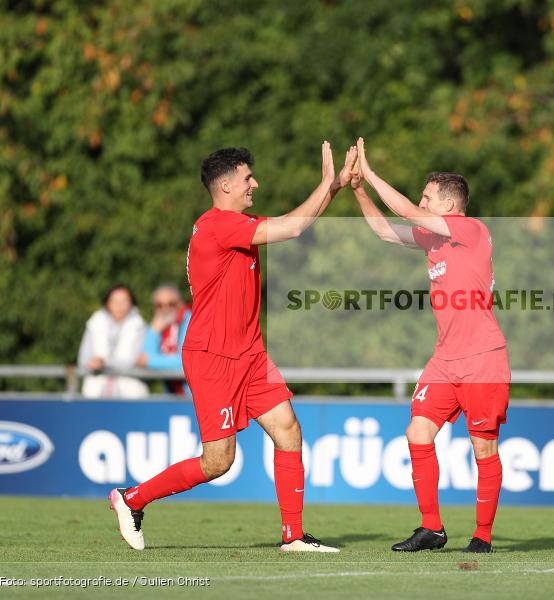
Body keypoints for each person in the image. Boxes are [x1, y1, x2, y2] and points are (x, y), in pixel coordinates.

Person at [108, 143, 356, 552]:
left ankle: (293, 535)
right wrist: (326, 184)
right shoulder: (217, 226)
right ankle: (132, 500)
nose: (254, 183)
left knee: (289, 431)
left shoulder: (237, 223)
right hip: (213, 357)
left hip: (249, 354)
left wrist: (332, 189)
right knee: (218, 462)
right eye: (247, 178)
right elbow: (294, 228)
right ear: (225, 185)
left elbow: (294, 221)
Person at [350, 138, 509, 553]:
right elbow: (385, 230)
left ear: (450, 207)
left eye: (428, 198)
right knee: (418, 432)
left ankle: (483, 536)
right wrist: (359, 190)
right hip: (444, 359)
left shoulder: (472, 230)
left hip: (482, 360)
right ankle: (432, 529)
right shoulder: (434, 240)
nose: (421, 203)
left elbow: (402, 211)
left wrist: (370, 171)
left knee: (483, 447)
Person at [77, 284, 149, 399]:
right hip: (96, 394)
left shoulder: (140, 326)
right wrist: (94, 364)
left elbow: (134, 360)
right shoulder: (94, 324)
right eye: (115, 301)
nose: (119, 305)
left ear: (131, 303)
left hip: (131, 394)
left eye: (124, 301)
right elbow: (83, 359)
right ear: (107, 303)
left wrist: (104, 363)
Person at [136, 284, 192, 395]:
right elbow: (144, 357)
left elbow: (186, 362)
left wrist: (150, 361)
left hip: (195, 397)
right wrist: (154, 331)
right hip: (172, 396)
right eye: (159, 305)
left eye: (171, 304)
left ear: (180, 304)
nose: (165, 309)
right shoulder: (158, 327)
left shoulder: (190, 321)